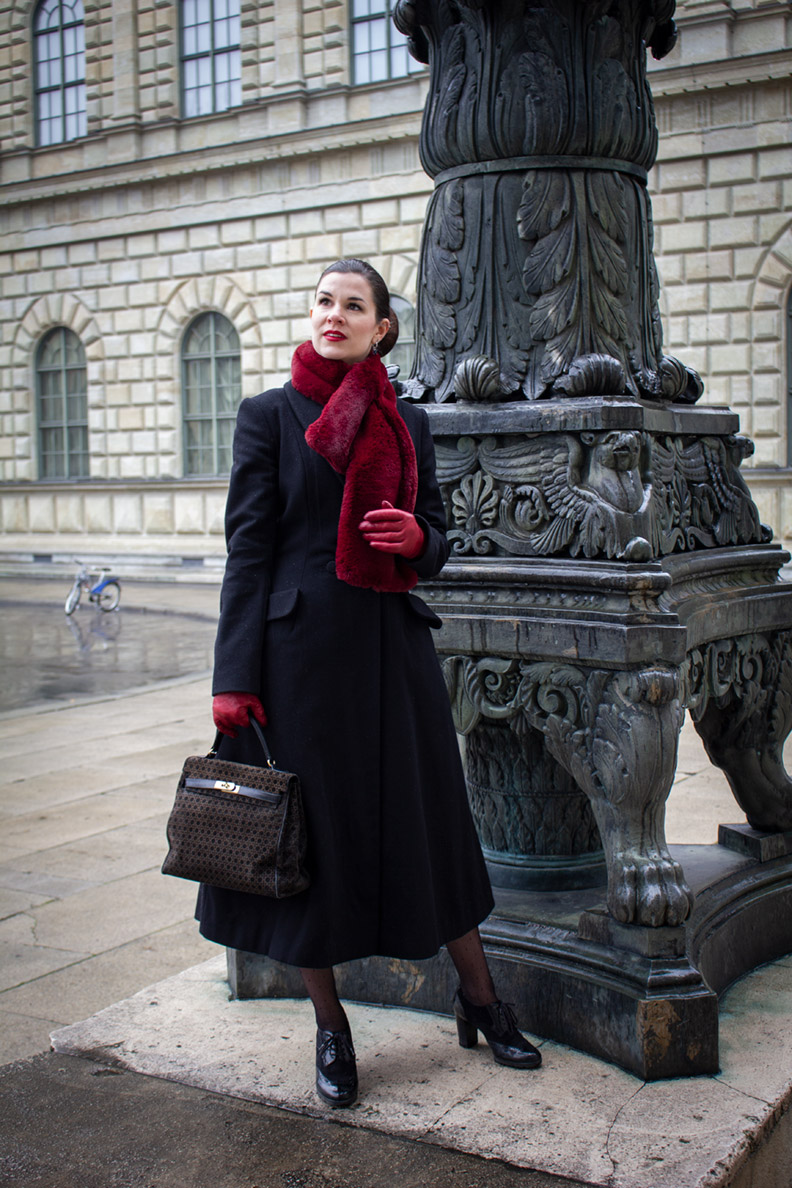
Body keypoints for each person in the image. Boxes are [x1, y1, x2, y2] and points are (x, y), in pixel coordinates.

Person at [196, 258, 541, 1108]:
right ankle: (332, 1028)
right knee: (306, 847)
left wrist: (413, 542)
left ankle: (482, 999)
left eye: (354, 305)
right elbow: (249, 551)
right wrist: (232, 675)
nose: (335, 314)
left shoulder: (406, 423)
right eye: (324, 301)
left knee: (427, 825)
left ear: (382, 328)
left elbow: (439, 535)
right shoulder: (268, 418)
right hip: (298, 665)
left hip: (391, 654)